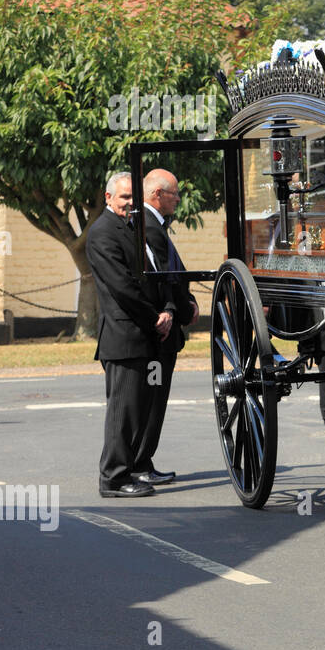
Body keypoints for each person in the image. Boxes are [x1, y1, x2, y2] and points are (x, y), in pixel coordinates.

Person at [87, 172, 171, 498]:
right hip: (123, 339)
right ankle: (113, 479)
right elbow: (123, 287)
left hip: (144, 337)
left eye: (134, 198)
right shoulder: (102, 233)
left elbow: (153, 276)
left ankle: (132, 469)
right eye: (123, 198)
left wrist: (167, 310)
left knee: (138, 411)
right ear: (108, 198)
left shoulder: (133, 229)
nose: (129, 204)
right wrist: (155, 319)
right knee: (122, 413)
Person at [133, 168, 198, 485]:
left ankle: (143, 460)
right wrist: (185, 310)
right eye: (174, 193)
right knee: (152, 400)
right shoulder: (150, 227)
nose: (178, 200)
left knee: (153, 398)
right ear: (157, 194)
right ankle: (141, 462)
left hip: (164, 327)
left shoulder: (154, 225)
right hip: (159, 332)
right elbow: (166, 280)